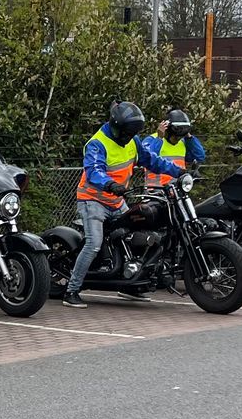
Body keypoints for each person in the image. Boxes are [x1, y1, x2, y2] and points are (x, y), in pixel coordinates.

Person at [59, 100, 183, 309]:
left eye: (131, 133)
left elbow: (152, 160)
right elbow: (93, 171)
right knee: (93, 243)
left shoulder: (132, 141)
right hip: (93, 201)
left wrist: (180, 172)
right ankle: (71, 290)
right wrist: (109, 184)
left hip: (116, 201)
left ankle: (128, 284)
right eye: (126, 133)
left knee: (137, 232)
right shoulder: (97, 143)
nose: (128, 137)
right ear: (117, 127)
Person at [141, 109, 206, 189]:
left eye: (180, 137)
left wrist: (188, 136)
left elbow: (200, 156)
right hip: (156, 189)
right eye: (175, 137)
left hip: (178, 189)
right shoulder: (152, 140)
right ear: (167, 131)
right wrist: (159, 138)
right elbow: (148, 158)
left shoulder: (183, 142)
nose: (177, 139)